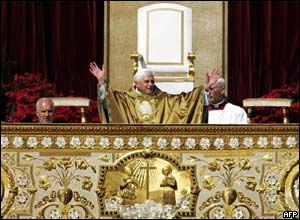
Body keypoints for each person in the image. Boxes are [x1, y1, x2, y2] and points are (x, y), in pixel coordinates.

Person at [89, 62, 220, 124]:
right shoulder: (126, 100)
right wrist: (102, 82)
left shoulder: (163, 99)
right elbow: (110, 102)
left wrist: (206, 88)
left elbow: (186, 102)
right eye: (146, 81)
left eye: (152, 81)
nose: (151, 84)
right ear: (136, 83)